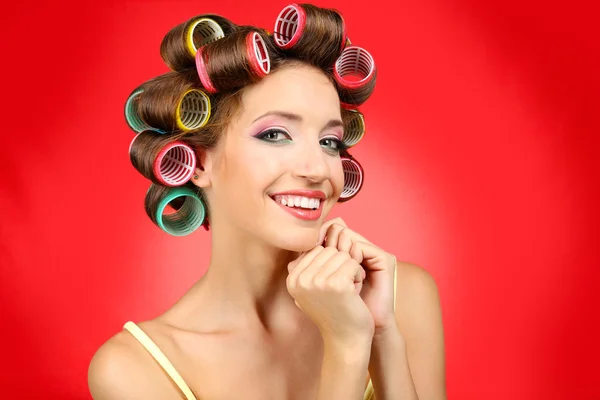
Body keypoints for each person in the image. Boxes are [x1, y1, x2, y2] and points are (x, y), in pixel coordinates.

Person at [88, 4, 446, 399]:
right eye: (275, 135)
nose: (316, 169)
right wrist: (346, 347)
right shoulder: (136, 369)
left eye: (330, 142)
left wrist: (380, 336)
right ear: (199, 161)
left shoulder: (398, 296)